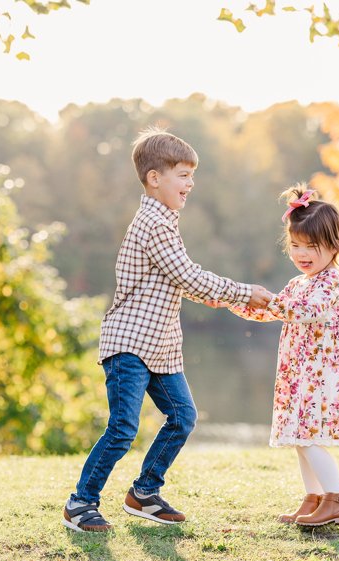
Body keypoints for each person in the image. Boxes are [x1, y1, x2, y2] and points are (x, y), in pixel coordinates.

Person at [63, 127, 273, 532]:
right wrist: (244, 293)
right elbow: (188, 276)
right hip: (131, 343)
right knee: (123, 427)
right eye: (182, 174)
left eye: (192, 175)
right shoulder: (153, 223)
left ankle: (144, 492)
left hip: (160, 347)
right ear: (154, 178)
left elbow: (178, 281)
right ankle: (81, 502)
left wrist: (227, 299)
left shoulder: (166, 220)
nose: (190, 183)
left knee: (183, 416)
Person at [207, 184, 339, 526]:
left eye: (312, 246)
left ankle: (338, 500)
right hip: (301, 375)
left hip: (324, 373)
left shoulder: (330, 282)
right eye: (295, 245)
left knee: (308, 436)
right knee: (299, 436)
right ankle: (314, 499)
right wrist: (235, 300)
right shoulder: (299, 283)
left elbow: (305, 311)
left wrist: (273, 301)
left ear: (334, 246)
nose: (302, 253)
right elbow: (272, 312)